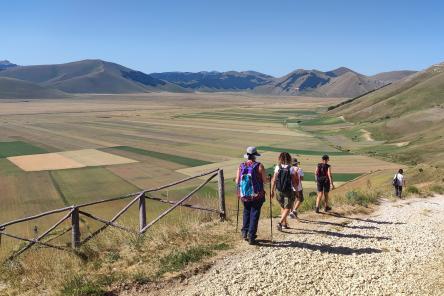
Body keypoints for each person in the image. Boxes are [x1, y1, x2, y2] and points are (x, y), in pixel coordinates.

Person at [236, 146, 267, 245]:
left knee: (246, 211)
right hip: (257, 195)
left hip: (244, 194)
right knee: (254, 214)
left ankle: (244, 232)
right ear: (255, 156)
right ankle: (251, 235)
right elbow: (265, 180)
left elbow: (237, 181)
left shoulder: (241, 166)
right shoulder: (259, 166)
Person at [271, 152, 299, 231]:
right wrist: (296, 192)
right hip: (288, 190)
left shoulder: (277, 167)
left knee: (282, 206)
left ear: (280, 158)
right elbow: (294, 182)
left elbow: (274, 180)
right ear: (289, 158)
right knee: (288, 207)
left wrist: (272, 191)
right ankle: (280, 223)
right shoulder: (291, 168)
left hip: (278, 190)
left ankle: (284, 224)